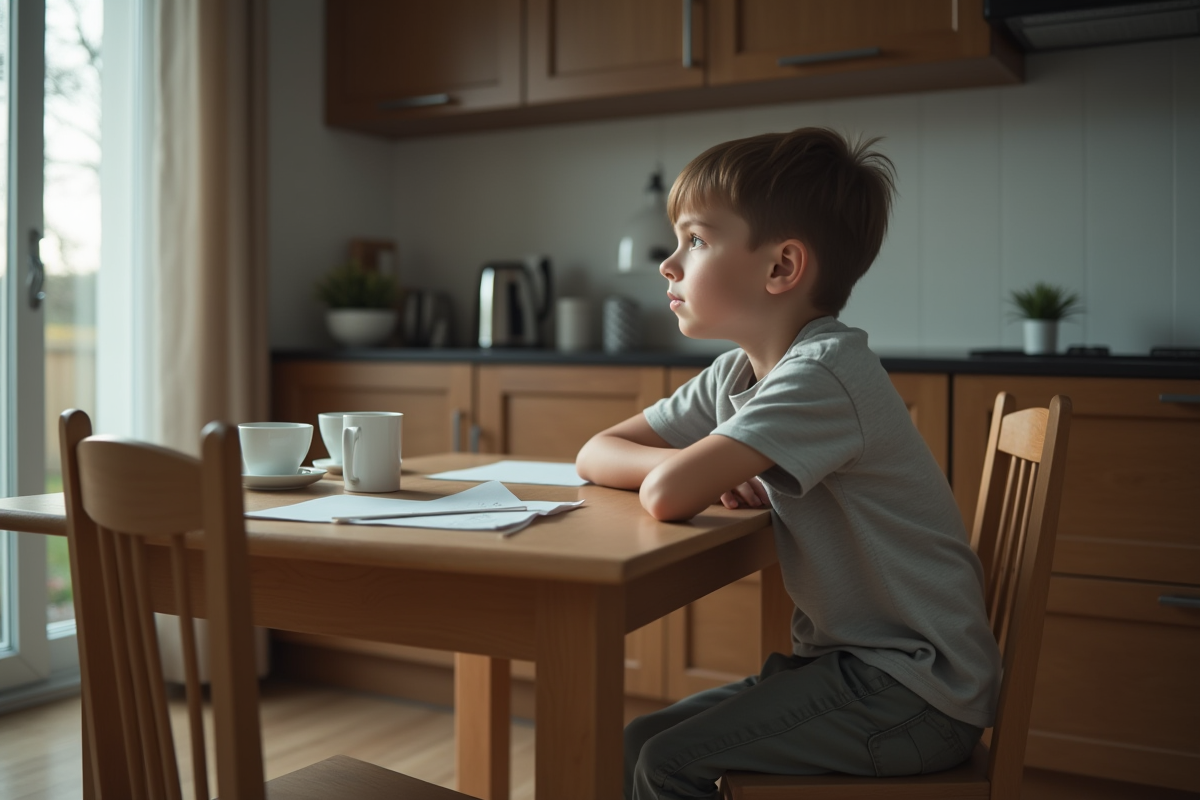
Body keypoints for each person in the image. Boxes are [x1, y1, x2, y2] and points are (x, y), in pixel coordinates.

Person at [575, 127, 1001, 800]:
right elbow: (594, 451)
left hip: (912, 693)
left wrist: (696, 468)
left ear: (781, 268)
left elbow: (665, 494)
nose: (669, 264)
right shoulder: (737, 373)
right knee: (635, 743)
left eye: (696, 240)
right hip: (853, 670)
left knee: (665, 763)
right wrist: (707, 462)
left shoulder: (824, 373)